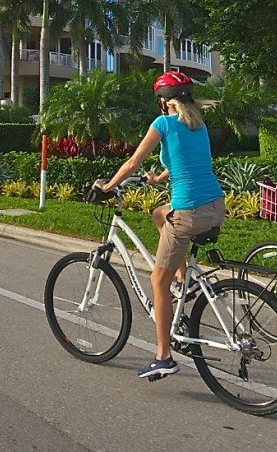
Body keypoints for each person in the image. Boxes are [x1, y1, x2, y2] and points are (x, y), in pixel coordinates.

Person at [93, 70, 224, 381]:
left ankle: (163, 356)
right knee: (158, 213)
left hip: (190, 213)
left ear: (163, 102)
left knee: (157, 281)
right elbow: (188, 160)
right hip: (216, 207)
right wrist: (158, 179)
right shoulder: (197, 123)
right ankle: (185, 280)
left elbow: (133, 162)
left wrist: (108, 186)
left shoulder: (162, 123)